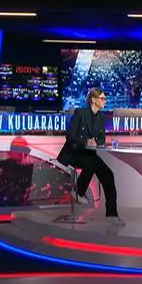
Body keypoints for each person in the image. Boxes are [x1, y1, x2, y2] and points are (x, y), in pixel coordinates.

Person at [56, 87, 123, 224]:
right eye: (102, 98)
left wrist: (96, 142)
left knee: (108, 175)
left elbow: (102, 139)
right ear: (93, 100)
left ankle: (112, 215)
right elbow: (70, 135)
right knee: (91, 164)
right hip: (74, 153)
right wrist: (85, 141)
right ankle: (78, 192)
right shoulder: (80, 113)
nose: (105, 101)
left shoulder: (101, 117)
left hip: (89, 154)